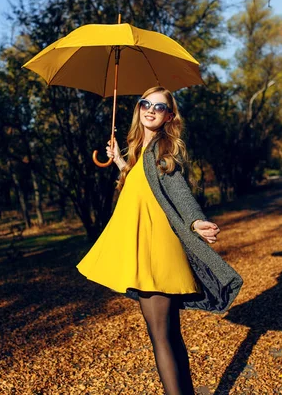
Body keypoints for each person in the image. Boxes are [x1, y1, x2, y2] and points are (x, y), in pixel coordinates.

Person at [77, 86, 243, 395]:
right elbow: (142, 190)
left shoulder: (164, 153)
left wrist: (196, 220)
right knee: (169, 336)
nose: (151, 109)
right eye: (145, 103)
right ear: (138, 108)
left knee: (161, 337)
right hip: (147, 251)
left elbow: (179, 191)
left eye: (160, 106)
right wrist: (120, 164)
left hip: (158, 253)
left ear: (169, 116)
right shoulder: (142, 154)